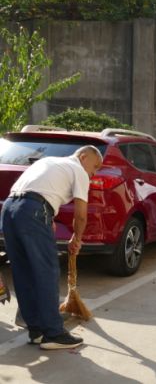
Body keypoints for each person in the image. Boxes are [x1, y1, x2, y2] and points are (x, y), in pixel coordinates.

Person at [0, 145, 103, 349]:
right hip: (33, 211)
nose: (95, 173)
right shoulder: (78, 170)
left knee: (23, 272)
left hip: (9, 210)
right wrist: (76, 239)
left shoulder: (49, 161)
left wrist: (47, 216)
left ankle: (36, 331)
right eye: (95, 167)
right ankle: (54, 333)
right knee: (46, 271)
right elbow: (81, 215)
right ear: (83, 157)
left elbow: (39, 192)